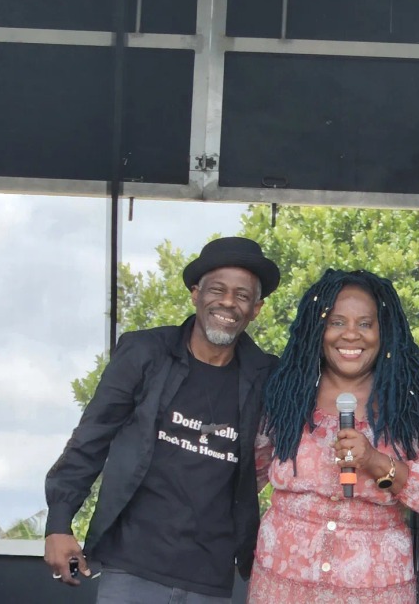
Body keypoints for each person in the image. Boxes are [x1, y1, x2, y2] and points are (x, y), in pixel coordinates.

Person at [44, 236, 281, 602]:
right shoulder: (144, 354)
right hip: (132, 566)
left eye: (242, 295)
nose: (228, 302)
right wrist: (58, 523)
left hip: (210, 576)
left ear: (256, 309)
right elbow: (91, 438)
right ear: (195, 294)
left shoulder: (267, 377)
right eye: (217, 290)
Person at [248, 269, 419, 604]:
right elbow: (248, 476)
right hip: (282, 584)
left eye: (365, 324)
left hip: (375, 588)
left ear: (383, 331)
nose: (350, 334)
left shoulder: (409, 406)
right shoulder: (287, 397)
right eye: (336, 322)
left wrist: (377, 463)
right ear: (318, 330)